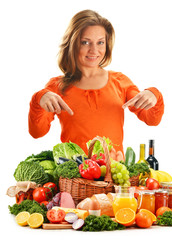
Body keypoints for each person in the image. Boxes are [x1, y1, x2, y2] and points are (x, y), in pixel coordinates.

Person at [28, 9, 164, 155]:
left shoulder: (120, 82)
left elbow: (152, 119)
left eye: (100, 42)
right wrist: (38, 99)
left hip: (112, 174)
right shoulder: (57, 87)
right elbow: (37, 132)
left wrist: (154, 94)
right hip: (75, 174)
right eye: (85, 42)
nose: (94, 50)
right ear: (73, 44)